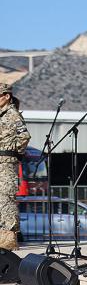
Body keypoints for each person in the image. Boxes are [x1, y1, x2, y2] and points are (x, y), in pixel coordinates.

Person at [0, 83, 31, 251]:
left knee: (6, 200)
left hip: (6, 163)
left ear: (6, 97)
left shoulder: (13, 114)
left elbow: (24, 136)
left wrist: (14, 152)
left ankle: (10, 237)